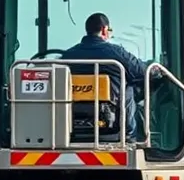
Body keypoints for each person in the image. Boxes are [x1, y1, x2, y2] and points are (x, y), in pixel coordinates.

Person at [60, 12, 153, 140]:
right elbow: (141, 71)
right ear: (104, 30)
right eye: (110, 30)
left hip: (71, 122)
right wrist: (155, 69)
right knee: (129, 86)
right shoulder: (116, 52)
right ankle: (130, 135)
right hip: (112, 123)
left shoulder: (67, 56)